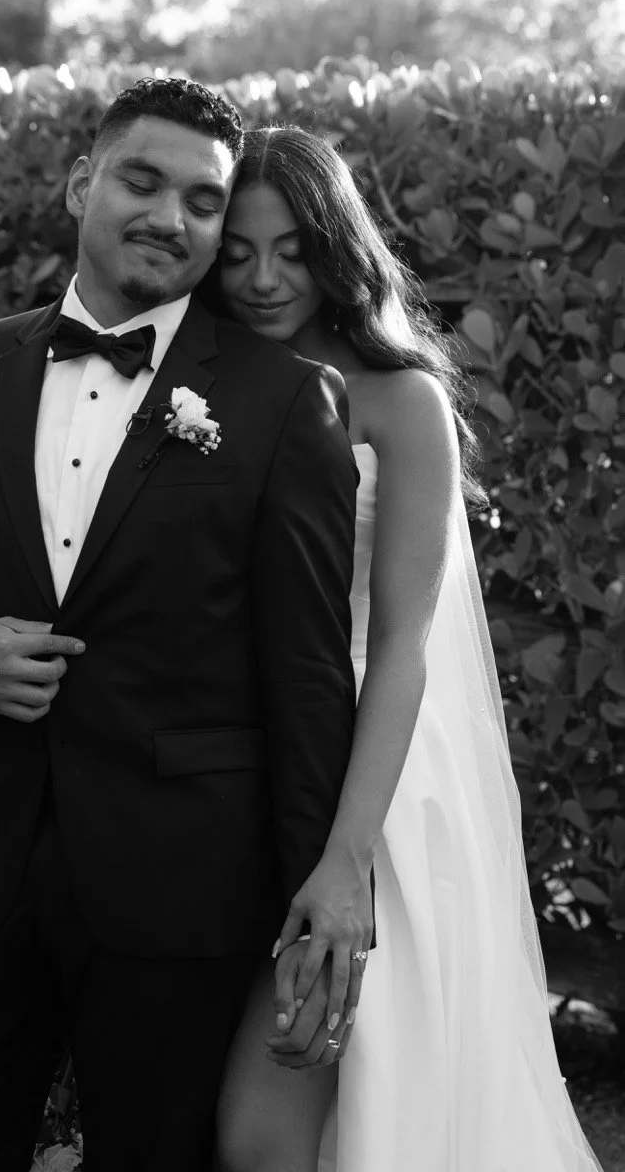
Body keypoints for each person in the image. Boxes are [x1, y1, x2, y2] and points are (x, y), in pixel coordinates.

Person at [0, 82, 360, 1172]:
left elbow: (309, 678)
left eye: (200, 200)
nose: (169, 217)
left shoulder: (285, 401)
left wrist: (306, 902)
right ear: (82, 180)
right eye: (142, 180)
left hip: (177, 893)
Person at [212, 125, 603, 1172]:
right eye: (238, 250)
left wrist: (348, 862)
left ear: (336, 247)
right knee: (263, 1131)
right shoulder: (199, 379)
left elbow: (400, 647)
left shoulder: (400, 398)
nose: (260, 278)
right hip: (237, 750)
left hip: (374, 774)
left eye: (291, 249)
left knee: (345, 1111)